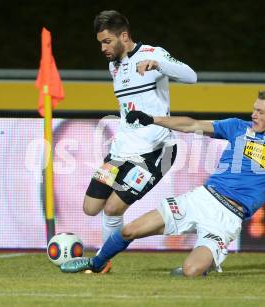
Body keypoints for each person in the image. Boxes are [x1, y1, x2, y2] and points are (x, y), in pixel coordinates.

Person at [61, 89, 265, 276]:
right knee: (129, 230)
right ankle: (96, 264)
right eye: (254, 109)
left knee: (190, 273)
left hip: (227, 217)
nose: (254, 114)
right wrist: (152, 119)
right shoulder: (236, 127)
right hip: (201, 198)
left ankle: (201, 265)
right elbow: (191, 124)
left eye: (260, 111)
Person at [84, 9, 197, 263]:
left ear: (124, 36)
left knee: (113, 209)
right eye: (101, 42)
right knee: (90, 208)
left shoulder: (153, 54)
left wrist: (160, 65)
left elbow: (192, 76)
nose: (103, 48)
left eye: (107, 41)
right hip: (120, 151)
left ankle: (102, 261)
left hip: (157, 151)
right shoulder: (114, 66)